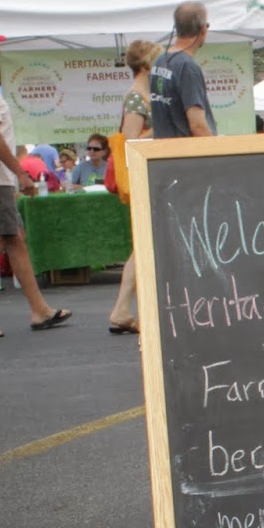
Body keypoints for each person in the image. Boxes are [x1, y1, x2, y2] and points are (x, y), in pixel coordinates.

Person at [0, 30, 72, 337]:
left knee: (15, 237)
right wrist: (20, 172)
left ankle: (40, 309)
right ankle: (39, 309)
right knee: (0, 235)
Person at [106, 39, 158, 335]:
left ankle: (124, 309)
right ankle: (122, 309)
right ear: (147, 64)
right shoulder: (137, 98)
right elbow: (131, 139)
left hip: (145, 173)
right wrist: (163, 127)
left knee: (143, 244)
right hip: (141, 174)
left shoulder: (142, 95)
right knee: (143, 243)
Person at [150, 2, 216, 138]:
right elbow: (197, 125)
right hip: (186, 154)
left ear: (177, 28)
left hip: (164, 151)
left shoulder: (160, 61)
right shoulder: (187, 67)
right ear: (203, 28)